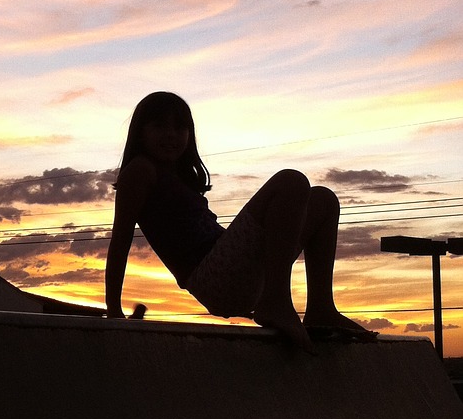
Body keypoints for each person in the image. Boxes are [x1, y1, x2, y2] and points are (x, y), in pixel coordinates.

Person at [104, 91, 377, 351]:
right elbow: (120, 240)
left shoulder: (178, 176)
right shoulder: (140, 171)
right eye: (160, 126)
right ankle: (277, 301)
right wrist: (113, 310)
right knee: (290, 181)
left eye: (180, 128)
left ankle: (320, 309)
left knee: (323, 200)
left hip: (238, 275)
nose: (171, 135)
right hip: (212, 278)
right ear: (140, 132)